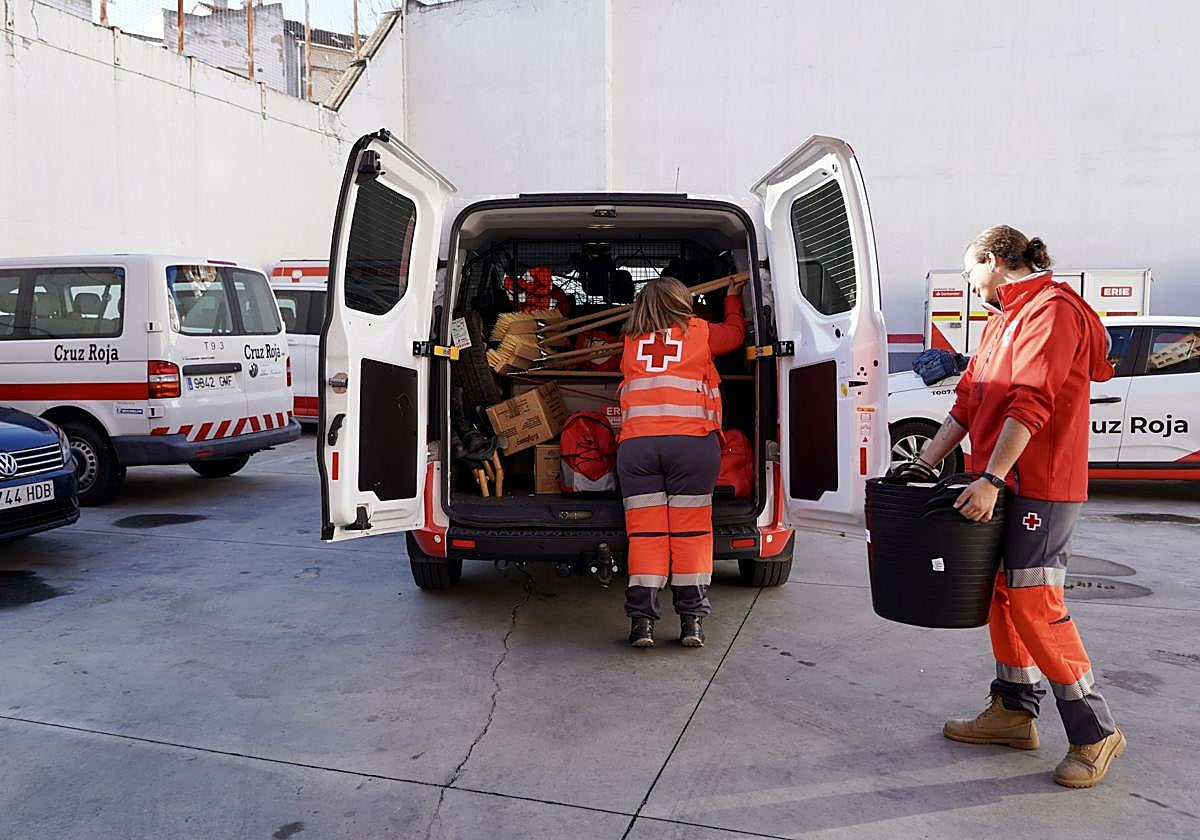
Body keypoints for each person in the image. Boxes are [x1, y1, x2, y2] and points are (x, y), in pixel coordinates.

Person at [897, 225, 1125, 788]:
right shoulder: (1004, 319)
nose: (968, 282)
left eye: (970, 270)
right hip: (1000, 482)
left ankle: (1095, 731)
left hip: (1040, 484)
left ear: (994, 259)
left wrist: (991, 478)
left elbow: (1031, 404)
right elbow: (967, 402)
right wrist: (925, 462)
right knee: (1001, 596)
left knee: (1033, 600)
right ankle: (1013, 712)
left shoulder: (1052, 311)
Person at [617, 274, 746, 648]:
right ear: (682, 303)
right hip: (691, 447)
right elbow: (735, 335)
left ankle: (642, 623)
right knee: (691, 533)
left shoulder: (630, 340)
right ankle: (691, 622)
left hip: (638, 448)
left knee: (645, 535)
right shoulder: (700, 332)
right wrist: (732, 298)